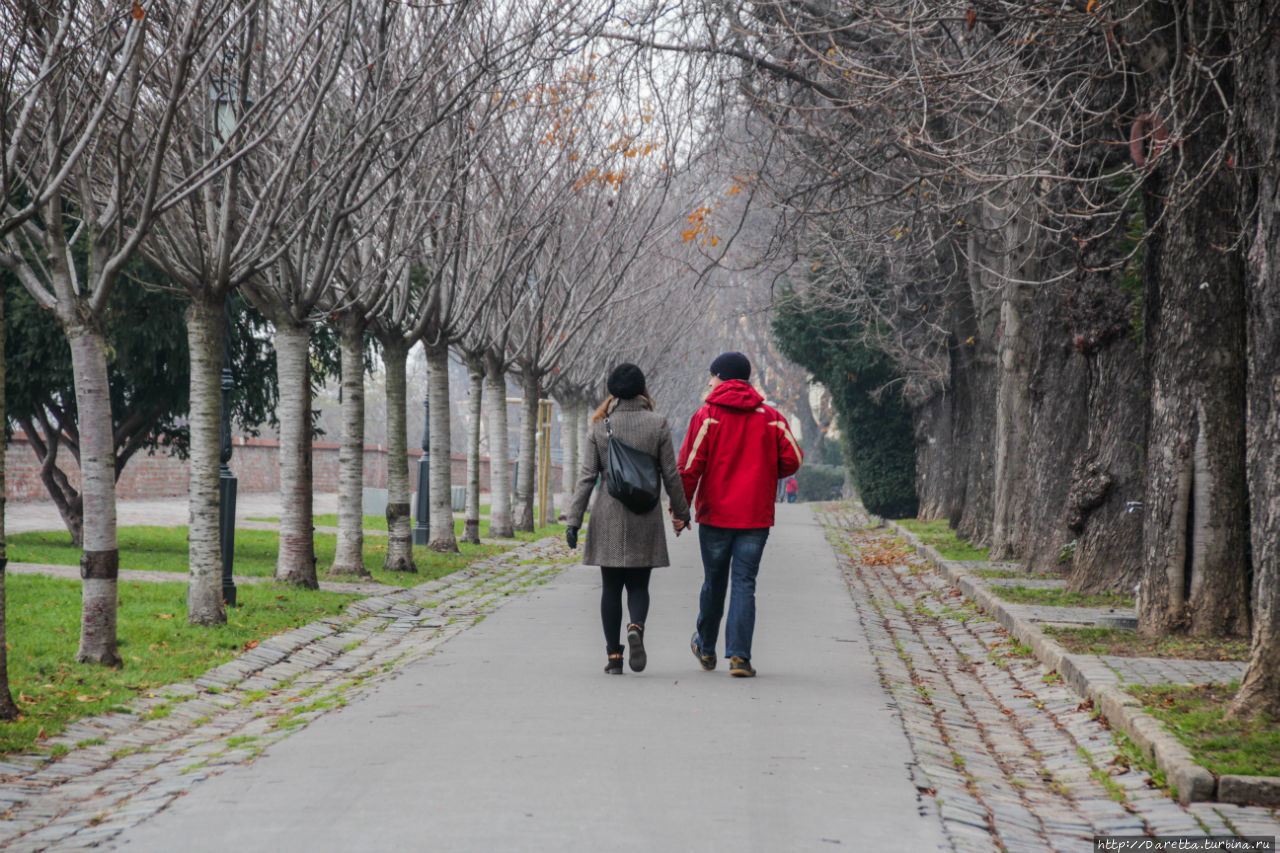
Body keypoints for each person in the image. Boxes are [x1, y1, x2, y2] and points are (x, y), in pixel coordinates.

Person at [679, 352, 802, 678]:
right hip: (755, 517)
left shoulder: (707, 415)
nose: (709, 382)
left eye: (712, 376)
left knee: (714, 582)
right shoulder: (771, 417)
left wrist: (681, 510)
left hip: (715, 515)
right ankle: (739, 657)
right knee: (744, 582)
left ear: (722, 377)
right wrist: (763, 467)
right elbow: (792, 459)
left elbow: (689, 467)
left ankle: (706, 648)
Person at [566, 363, 691, 675]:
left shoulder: (599, 427)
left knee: (610, 587)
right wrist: (682, 511)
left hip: (609, 513)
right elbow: (671, 474)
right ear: (642, 389)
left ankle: (614, 658)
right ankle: (635, 626)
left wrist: (573, 521)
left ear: (613, 391)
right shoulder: (658, 423)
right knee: (638, 584)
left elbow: (586, 478)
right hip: (645, 513)